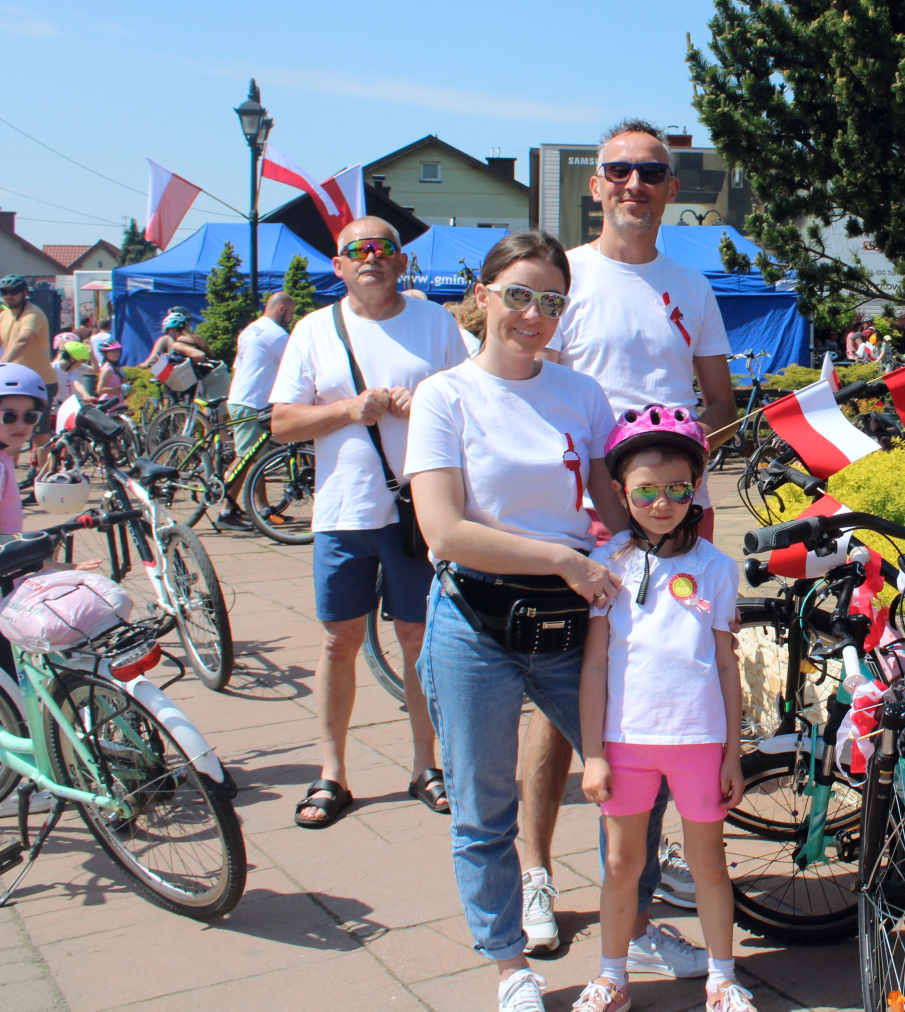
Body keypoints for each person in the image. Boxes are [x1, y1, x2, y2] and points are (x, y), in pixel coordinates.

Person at [404, 232, 630, 1011]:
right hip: (476, 618)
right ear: (484, 295)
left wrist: (659, 549)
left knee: (630, 779)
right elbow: (444, 532)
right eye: (519, 295)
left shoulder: (581, 395)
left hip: (573, 621)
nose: (534, 315)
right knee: (483, 806)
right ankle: (510, 967)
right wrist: (565, 557)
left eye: (552, 302)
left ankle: (625, 937)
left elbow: (611, 504)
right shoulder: (444, 396)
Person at [533, 116, 739, 943]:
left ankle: (639, 892)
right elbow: (532, 390)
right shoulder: (566, 276)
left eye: (650, 172)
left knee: (661, 689)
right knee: (562, 700)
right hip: (582, 514)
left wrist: (675, 463)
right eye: (618, 169)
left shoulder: (691, 286)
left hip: (670, 517)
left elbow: (719, 402)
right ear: (596, 185)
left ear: (671, 188)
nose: (634, 184)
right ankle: (537, 876)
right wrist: (603, 479)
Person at [270, 216, 464, 829]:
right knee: (338, 640)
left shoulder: (435, 323)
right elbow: (281, 423)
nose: (370, 257)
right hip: (343, 511)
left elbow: (473, 403)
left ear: (401, 261)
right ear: (339, 265)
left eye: (383, 247)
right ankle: (332, 773)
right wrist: (350, 410)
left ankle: (427, 765)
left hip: (417, 509)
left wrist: (424, 402)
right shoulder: (313, 329)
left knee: (419, 639)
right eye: (357, 249)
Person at [574, 405, 752, 1012]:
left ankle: (722, 977)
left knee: (709, 864)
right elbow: (594, 667)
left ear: (695, 488)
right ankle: (613, 975)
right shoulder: (608, 567)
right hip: (626, 741)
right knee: (622, 863)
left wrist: (732, 753)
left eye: (678, 489)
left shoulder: (716, 569)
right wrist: (593, 754)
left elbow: (725, 665)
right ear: (620, 492)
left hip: (699, 741)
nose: (662, 503)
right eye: (646, 490)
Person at [0, 364, 98, 817]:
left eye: (31, 416)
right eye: (8, 415)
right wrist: (59, 566)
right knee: (4, 692)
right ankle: (2, 787)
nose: (21, 424)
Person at [217, 292, 296, 532]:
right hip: (251, 402)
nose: (291, 319)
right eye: (291, 314)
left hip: (244, 399)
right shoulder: (274, 333)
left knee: (256, 458)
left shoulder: (250, 330)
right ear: (281, 309)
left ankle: (262, 508)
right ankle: (226, 511)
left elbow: (238, 366)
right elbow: (299, 360)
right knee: (245, 458)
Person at [0, 276, 56, 483]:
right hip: (16, 382)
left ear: (24, 293)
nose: (8, 296)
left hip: (39, 382)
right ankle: (7, 480)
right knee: (10, 430)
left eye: (13, 292)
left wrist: (0, 366)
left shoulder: (33, 314)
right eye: (4, 292)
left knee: (39, 435)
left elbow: (22, 341)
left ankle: (45, 484)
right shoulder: (3, 316)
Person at [141, 309, 210, 371]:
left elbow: (200, 355)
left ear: (171, 328)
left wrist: (184, 366)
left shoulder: (176, 344)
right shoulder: (196, 337)